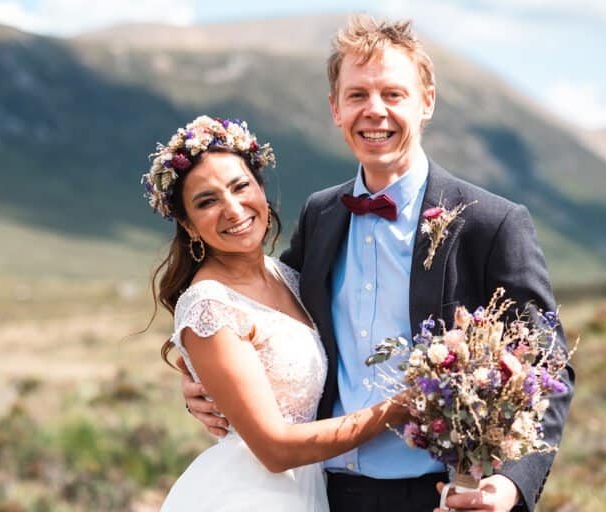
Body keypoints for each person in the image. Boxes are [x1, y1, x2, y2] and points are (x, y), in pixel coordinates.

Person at [182, 15, 574, 512]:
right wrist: (199, 376)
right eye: (357, 95)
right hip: (325, 494)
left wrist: (510, 484)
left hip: (443, 494)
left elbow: (550, 367)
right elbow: (253, 309)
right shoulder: (321, 215)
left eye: (393, 94)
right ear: (335, 108)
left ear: (426, 101)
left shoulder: (491, 223)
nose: (375, 111)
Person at [143, 115, 411, 511]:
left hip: (309, 488)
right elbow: (274, 449)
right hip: (249, 495)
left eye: (240, 187)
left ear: (261, 189)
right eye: (207, 201)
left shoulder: (288, 276)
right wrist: (399, 407)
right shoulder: (209, 307)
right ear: (189, 225)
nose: (233, 209)